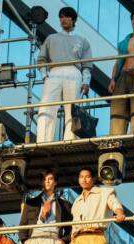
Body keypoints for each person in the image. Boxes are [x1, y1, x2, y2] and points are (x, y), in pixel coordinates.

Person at [36, 7, 92, 143]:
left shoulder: (82, 40)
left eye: (67, 16)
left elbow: (87, 65)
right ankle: (43, 141)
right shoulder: (51, 38)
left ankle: (71, 139)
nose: (63, 19)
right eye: (61, 17)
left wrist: (86, 82)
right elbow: (41, 59)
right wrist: (44, 76)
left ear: (73, 19)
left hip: (74, 71)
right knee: (46, 106)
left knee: (72, 109)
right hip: (54, 72)